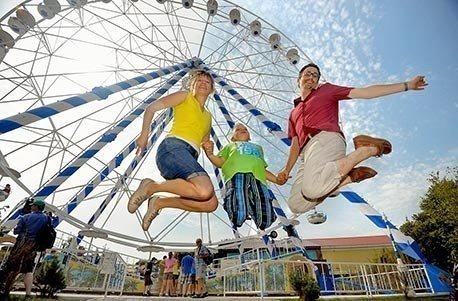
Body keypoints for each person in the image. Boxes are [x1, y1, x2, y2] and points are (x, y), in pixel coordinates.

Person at [278, 63, 427, 214]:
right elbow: (295, 145)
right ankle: (349, 176)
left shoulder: (326, 90)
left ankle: (366, 149)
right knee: (295, 205)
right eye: (308, 73)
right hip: (307, 154)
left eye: (315, 75)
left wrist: (407, 85)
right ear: (298, 80)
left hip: (326, 139)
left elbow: (365, 92)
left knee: (312, 190)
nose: (312, 77)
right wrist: (287, 169)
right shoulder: (293, 113)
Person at [128, 70, 218, 231]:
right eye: (199, 81)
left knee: (210, 203)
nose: (203, 83)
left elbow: (204, 141)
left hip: (188, 157)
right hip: (172, 148)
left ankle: (159, 202)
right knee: (204, 189)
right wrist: (144, 135)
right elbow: (151, 108)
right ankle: (151, 187)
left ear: (212, 88)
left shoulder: (208, 117)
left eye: (207, 82)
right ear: (192, 85)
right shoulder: (185, 97)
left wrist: (209, 148)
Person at [203, 123, 286, 230]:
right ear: (233, 137)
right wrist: (210, 154)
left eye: (245, 129)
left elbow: (262, 169)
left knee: (266, 220)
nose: (243, 130)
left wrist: (276, 179)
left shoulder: (258, 148)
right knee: (238, 214)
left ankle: (250, 206)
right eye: (238, 129)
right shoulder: (230, 146)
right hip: (237, 175)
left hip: (259, 179)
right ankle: (243, 209)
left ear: (250, 136)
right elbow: (220, 163)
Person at [0, 199, 49, 298]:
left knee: (13, 267)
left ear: (36, 207)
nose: (31, 207)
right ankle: (28, 294)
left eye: (33, 205)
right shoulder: (46, 218)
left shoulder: (25, 217)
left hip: (22, 244)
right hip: (34, 246)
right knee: (29, 269)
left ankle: (6, 291)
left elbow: (16, 231)